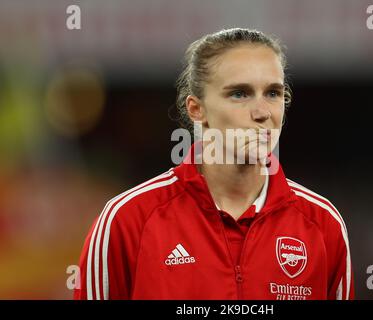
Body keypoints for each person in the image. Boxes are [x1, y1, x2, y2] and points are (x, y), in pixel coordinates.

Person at [74, 28, 354, 300]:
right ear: (197, 109)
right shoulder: (127, 220)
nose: (261, 112)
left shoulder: (322, 224)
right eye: (240, 93)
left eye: (273, 93)